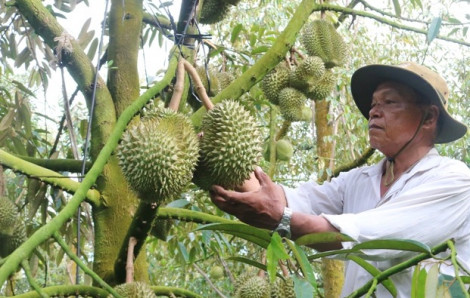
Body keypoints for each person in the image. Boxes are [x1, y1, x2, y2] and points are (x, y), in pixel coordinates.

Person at [209, 62, 470, 297]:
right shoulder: (357, 181)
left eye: (389, 102)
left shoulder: (454, 181)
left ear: (430, 117)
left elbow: (375, 235)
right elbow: (287, 201)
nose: (374, 113)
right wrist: (218, 142)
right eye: (373, 105)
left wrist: (283, 218)